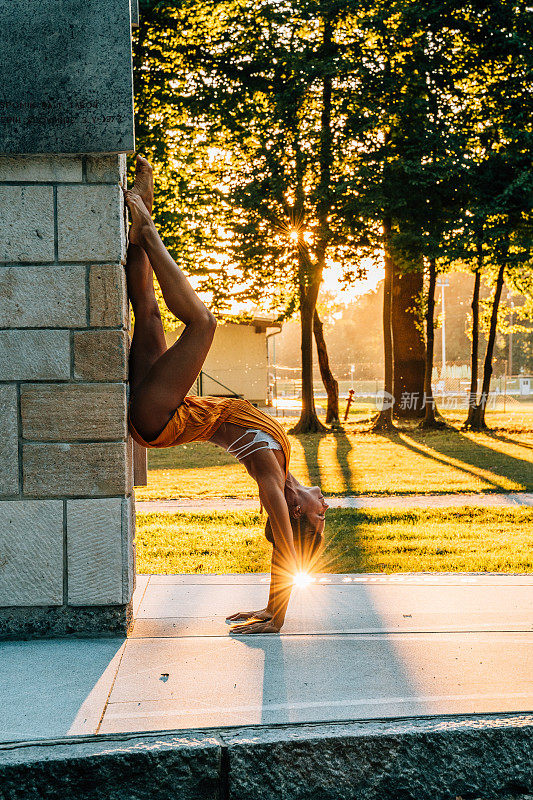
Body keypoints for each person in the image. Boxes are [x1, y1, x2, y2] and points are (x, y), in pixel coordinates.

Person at [123, 156, 329, 634]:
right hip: (170, 412)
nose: (327, 510)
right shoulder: (281, 466)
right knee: (148, 314)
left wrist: (277, 615)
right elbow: (287, 540)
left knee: (204, 324)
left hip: (166, 419)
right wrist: (269, 607)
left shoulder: (272, 479)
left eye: (320, 521)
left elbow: (284, 541)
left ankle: (147, 229)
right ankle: (140, 209)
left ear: (298, 510)